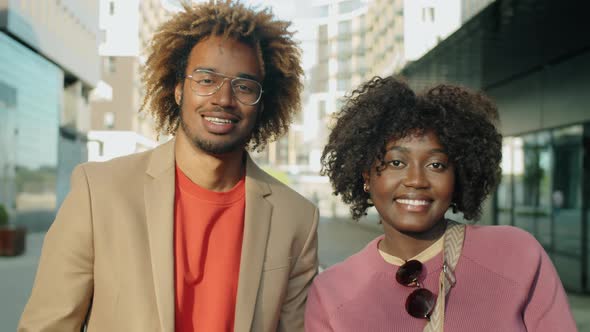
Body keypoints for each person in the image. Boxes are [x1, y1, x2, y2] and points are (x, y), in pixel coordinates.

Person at [19, 2, 318, 331]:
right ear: (178, 90)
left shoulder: (297, 219)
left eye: (244, 87)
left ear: (264, 104)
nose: (223, 99)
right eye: (206, 80)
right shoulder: (99, 192)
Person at [305, 76, 576, 331]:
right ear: (366, 175)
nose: (416, 180)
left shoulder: (518, 255)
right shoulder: (331, 292)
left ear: (457, 176)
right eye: (396, 162)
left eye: (436, 164)